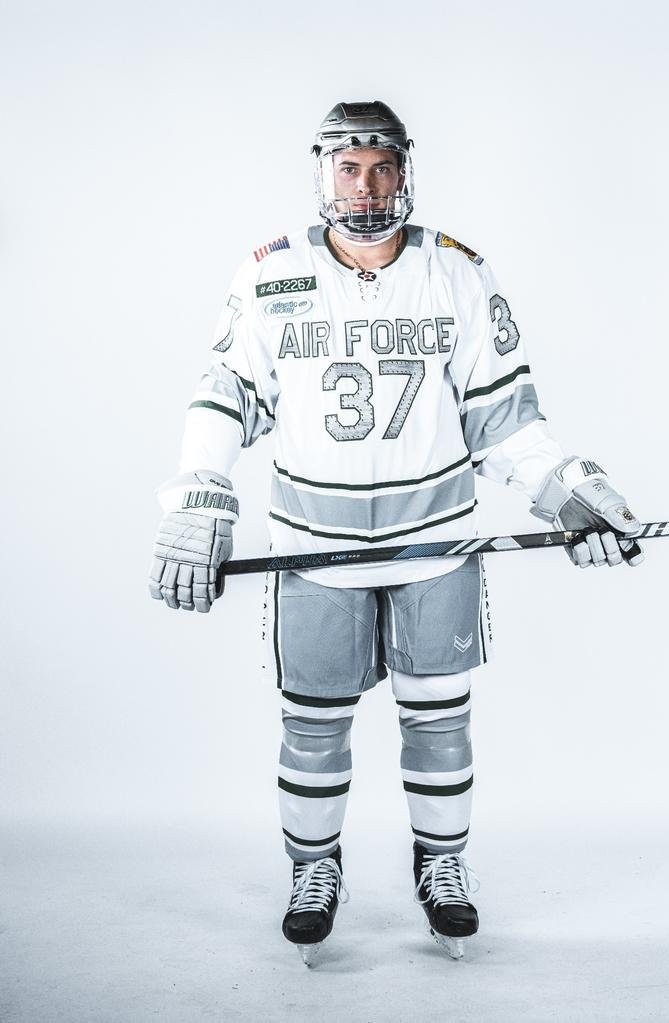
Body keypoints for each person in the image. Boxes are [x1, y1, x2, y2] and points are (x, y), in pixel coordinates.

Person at [149, 101, 644, 965]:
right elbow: (227, 392)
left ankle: (441, 867)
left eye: (383, 168)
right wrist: (200, 491)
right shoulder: (270, 272)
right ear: (322, 174)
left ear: (406, 173)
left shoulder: (458, 271)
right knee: (312, 726)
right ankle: (315, 869)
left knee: (439, 720)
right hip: (314, 548)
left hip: (435, 546)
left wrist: (565, 488)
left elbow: (502, 414)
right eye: (349, 168)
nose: (367, 186)